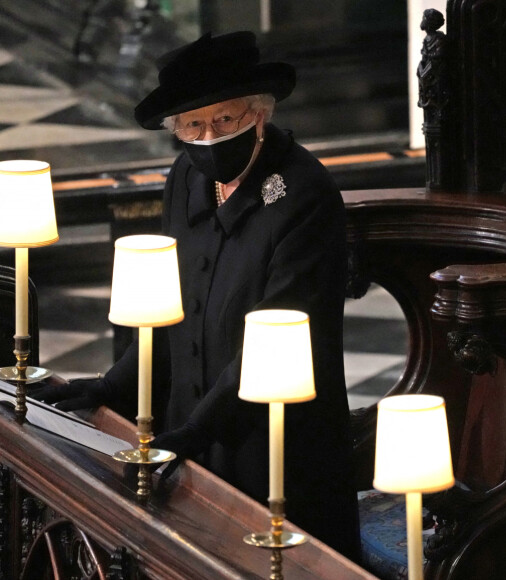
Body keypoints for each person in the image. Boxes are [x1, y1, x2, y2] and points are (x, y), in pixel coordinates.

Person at [33, 31, 360, 561]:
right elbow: (169, 310)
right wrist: (111, 386)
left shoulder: (303, 194)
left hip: (271, 443)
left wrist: (193, 433)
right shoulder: (186, 176)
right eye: (191, 126)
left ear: (259, 115)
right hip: (187, 430)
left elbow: (276, 335)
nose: (208, 137)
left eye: (224, 120)